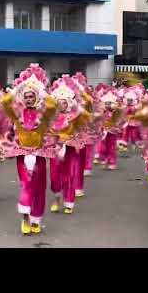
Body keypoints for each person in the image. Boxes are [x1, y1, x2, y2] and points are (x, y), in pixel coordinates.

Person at [0, 63, 58, 235]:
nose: (29, 99)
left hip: (40, 153)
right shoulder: (16, 114)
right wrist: (19, 87)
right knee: (26, 184)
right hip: (22, 153)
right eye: (26, 96)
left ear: (36, 97)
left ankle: (36, 218)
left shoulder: (44, 115)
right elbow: (4, 102)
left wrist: (41, 89)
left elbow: (53, 105)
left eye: (32, 96)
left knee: (39, 187)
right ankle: (25, 217)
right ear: (22, 98)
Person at [48, 75, 91, 214]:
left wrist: (72, 140)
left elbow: (82, 130)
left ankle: (69, 202)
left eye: (64, 102)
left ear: (68, 103)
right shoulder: (51, 117)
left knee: (69, 176)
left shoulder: (75, 116)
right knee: (54, 177)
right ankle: (56, 198)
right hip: (55, 150)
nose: (61, 105)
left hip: (71, 150)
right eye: (58, 102)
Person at [96, 86, 124, 170]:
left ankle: (112, 161)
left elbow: (120, 117)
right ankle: (104, 157)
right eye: (106, 103)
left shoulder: (116, 111)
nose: (108, 105)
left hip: (112, 131)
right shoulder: (102, 111)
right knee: (102, 145)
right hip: (103, 131)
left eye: (109, 103)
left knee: (112, 146)